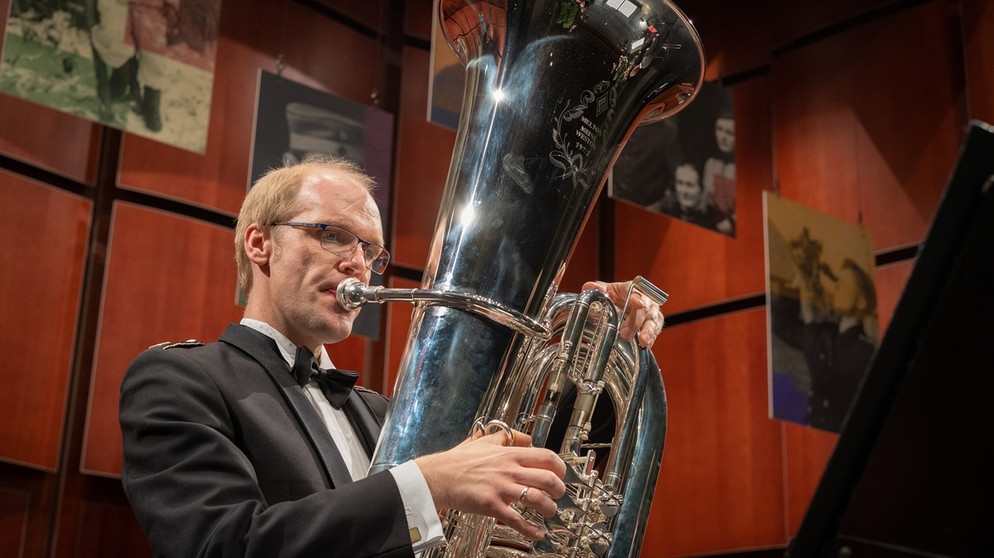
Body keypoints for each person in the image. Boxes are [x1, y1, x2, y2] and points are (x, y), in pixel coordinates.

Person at [119, 156, 665, 557]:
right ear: (259, 244)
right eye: (333, 235)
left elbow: (530, 491)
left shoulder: (381, 414)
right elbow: (222, 546)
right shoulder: (179, 379)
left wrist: (595, 345)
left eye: (371, 251)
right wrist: (427, 483)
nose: (358, 264)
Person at [650, 162, 722, 230]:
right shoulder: (664, 210)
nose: (684, 191)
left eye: (689, 185)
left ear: (701, 189)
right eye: (680, 183)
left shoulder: (710, 220)